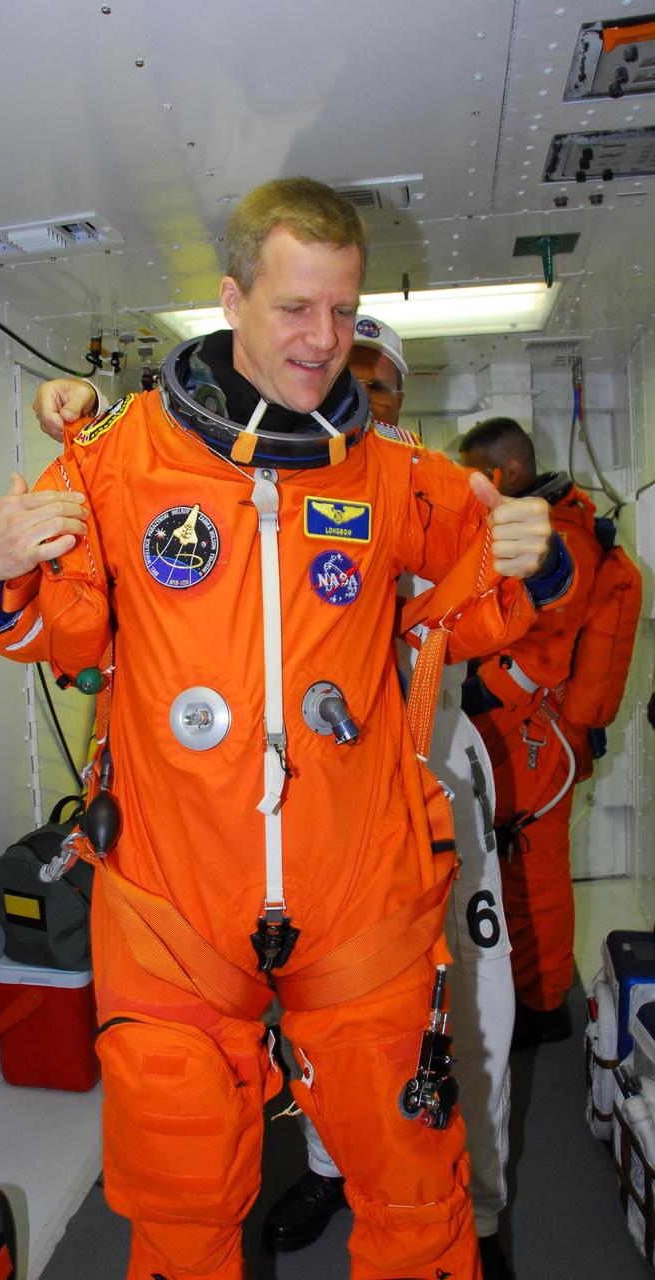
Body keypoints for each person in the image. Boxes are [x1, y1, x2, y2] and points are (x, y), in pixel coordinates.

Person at [0, 177, 565, 1280]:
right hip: (174, 908)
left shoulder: (388, 474)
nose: (323, 339)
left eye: (343, 309)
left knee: (421, 1199)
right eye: (294, 308)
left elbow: (472, 597)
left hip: (359, 898)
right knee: (181, 1216)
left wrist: (534, 550)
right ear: (231, 298)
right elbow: (62, 618)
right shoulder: (121, 462)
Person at [261, 319, 516, 1280]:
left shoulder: (428, 487)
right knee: (331, 1000)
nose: (366, 394)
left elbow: (518, 570)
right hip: (331, 796)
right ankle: (336, 1167)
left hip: (434, 776)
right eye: (348, 374)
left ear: (403, 397)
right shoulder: (287, 485)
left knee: (468, 1003)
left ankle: (479, 1220)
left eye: (383, 381)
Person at [459, 418, 639, 1051]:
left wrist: (476, 693)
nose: (468, 486)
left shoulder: (561, 540)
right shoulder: (556, 523)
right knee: (520, 865)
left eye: (474, 472)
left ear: (505, 472)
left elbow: (544, 652)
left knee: (536, 871)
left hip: (538, 734)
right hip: (535, 730)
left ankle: (542, 1005)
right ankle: (531, 989)